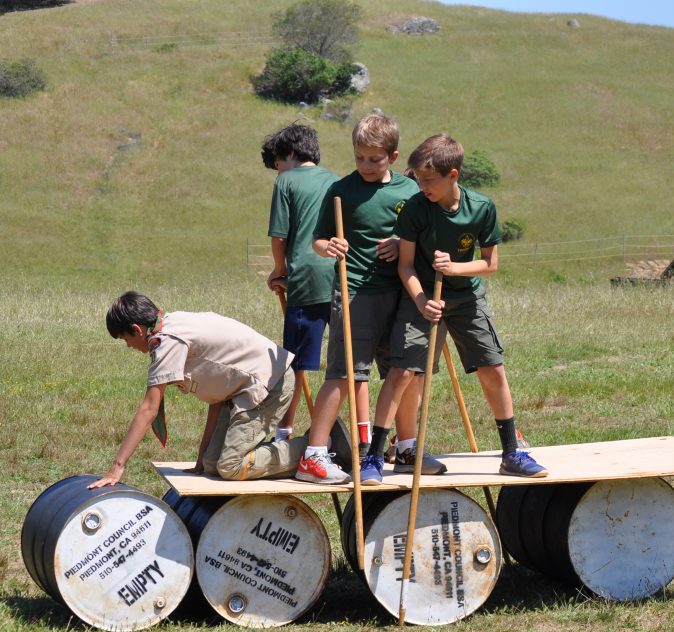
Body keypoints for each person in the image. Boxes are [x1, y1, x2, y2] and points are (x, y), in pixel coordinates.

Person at [363, 133, 547, 478]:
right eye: (418, 179)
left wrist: (454, 268)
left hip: (467, 298)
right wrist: (421, 300)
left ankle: (511, 452)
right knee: (402, 372)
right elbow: (405, 265)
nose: (422, 186)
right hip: (421, 298)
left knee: (493, 367)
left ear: (453, 175)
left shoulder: (481, 207)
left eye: (429, 180)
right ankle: (374, 456)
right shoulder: (416, 209)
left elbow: (490, 264)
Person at [299, 112, 443, 485]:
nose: (365, 164)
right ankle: (314, 455)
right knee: (346, 372)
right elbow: (317, 239)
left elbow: (423, 237)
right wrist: (328, 245)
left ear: (393, 158)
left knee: (406, 372)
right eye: (359, 156)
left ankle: (407, 447)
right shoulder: (341, 190)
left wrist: (401, 242)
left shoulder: (410, 192)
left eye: (374, 159)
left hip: (403, 293)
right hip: (357, 291)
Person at [88, 291, 342, 489]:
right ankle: (305, 451)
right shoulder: (169, 325)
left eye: (126, 340)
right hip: (241, 389)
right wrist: (202, 457)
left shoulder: (167, 343)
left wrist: (117, 467)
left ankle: (318, 446)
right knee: (212, 465)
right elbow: (217, 397)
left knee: (230, 466)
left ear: (137, 330)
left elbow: (149, 409)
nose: (129, 347)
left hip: (270, 383)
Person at [261, 123, 340, 441]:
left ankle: (284, 432)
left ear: (290, 154)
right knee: (345, 363)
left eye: (278, 163)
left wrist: (279, 270)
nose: (278, 170)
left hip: (304, 277)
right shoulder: (337, 180)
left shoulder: (287, 181)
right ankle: (361, 437)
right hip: (340, 277)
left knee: (295, 362)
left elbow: (279, 235)